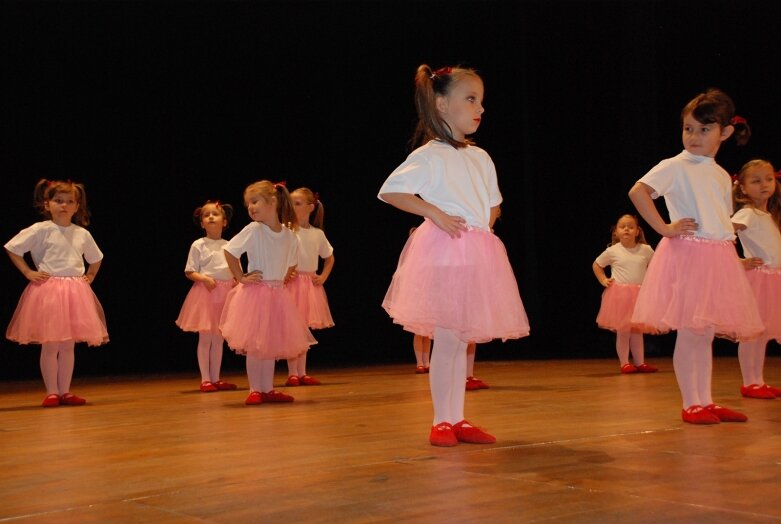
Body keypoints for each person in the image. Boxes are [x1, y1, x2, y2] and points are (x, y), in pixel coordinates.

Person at [379, 64, 530, 446]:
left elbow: (494, 203)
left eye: (481, 100)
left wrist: (488, 222)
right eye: (470, 98)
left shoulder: (481, 157)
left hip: (478, 253)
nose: (480, 107)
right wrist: (434, 212)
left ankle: (458, 418)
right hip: (444, 253)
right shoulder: (430, 156)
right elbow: (391, 191)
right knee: (447, 339)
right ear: (442, 104)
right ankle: (441, 420)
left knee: (462, 341)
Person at [628, 89, 764, 425]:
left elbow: (720, 220)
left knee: (705, 334)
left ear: (725, 133)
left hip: (717, 257)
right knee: (691, 331)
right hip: (689, 255)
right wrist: (664, 227)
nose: (694, 136)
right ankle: (691, 402)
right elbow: (639, 191)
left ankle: (706, 399)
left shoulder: (719, 174)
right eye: (689, 128)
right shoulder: (675, 165)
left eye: (704, 129)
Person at [5, 179, 108, 407]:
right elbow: (12, 248)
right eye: (58, 201)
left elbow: (96, 257)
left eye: (69, 201)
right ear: (47, 204)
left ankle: (65, 391)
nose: (64, 205)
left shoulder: (81, 233)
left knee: (68, 345)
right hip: (49, 290)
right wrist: (27, 272)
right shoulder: (41, 230)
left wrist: (90, 276)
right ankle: (52, 392)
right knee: (51, 343)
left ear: (76, 205)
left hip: (74, 291)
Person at [219, 181, 317, 405]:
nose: (250, 207)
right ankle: (255, 389)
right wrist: (241, 276)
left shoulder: (289, 235)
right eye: (248, 204)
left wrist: (285, 275)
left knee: (270, 344)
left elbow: (292, 262)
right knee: (256, 344)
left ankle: (268, 389)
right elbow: (230, 251)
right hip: (255, 294)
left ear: (272, 201)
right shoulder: (254, 230)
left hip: (277, 294)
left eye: (255, 201)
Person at [175, 200, 238, 393]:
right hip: (206, 293)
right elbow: (189, 271)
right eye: (206, 215)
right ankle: (205, 379)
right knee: (206, 338)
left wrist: (237, 282)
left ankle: (216, 378)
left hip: (226, 294)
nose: (211, 217)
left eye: (215, 214)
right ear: (202, 223)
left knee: (219, 339)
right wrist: (204, 278)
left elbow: (236, 271)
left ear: (224, 221)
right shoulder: (198, 244)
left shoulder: (230, 245)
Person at [731, 159, 781, 399]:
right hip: (758, 280)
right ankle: (749, 382)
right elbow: (724, 235)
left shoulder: (768, 215)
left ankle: (758, 381)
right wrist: (739, 261)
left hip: (773, 279)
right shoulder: (747, 214)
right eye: (756, 180)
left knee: (762, 334)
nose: (765, 184)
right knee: (752, 333)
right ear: (742, 188)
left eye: (769, 179)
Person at [592, 214, 657, 374]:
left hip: (640, 294)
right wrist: (603, 280)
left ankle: (640, 363)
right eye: (622, 226)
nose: (626, 229)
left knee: (637, 330)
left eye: (630, 226)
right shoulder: (612, 251)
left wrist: (653, 281)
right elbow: (597, 264)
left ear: (637, 231)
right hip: (620, 296)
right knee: (623, 330)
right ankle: (624, 363)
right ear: (616, 232)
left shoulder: (646, 250)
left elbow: (657, 265)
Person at [284, 187, 334, 387]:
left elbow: (329, 257)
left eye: (297, 203)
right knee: (292, 328)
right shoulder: (286, 230)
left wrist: (323, 276)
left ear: (310, 207)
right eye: (291, 203)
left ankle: (302, 372)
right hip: (291, 284)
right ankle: (292, 373)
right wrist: (285, 272)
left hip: (309, 285)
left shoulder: (317, 234)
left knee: (303, 328)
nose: (293, 207)